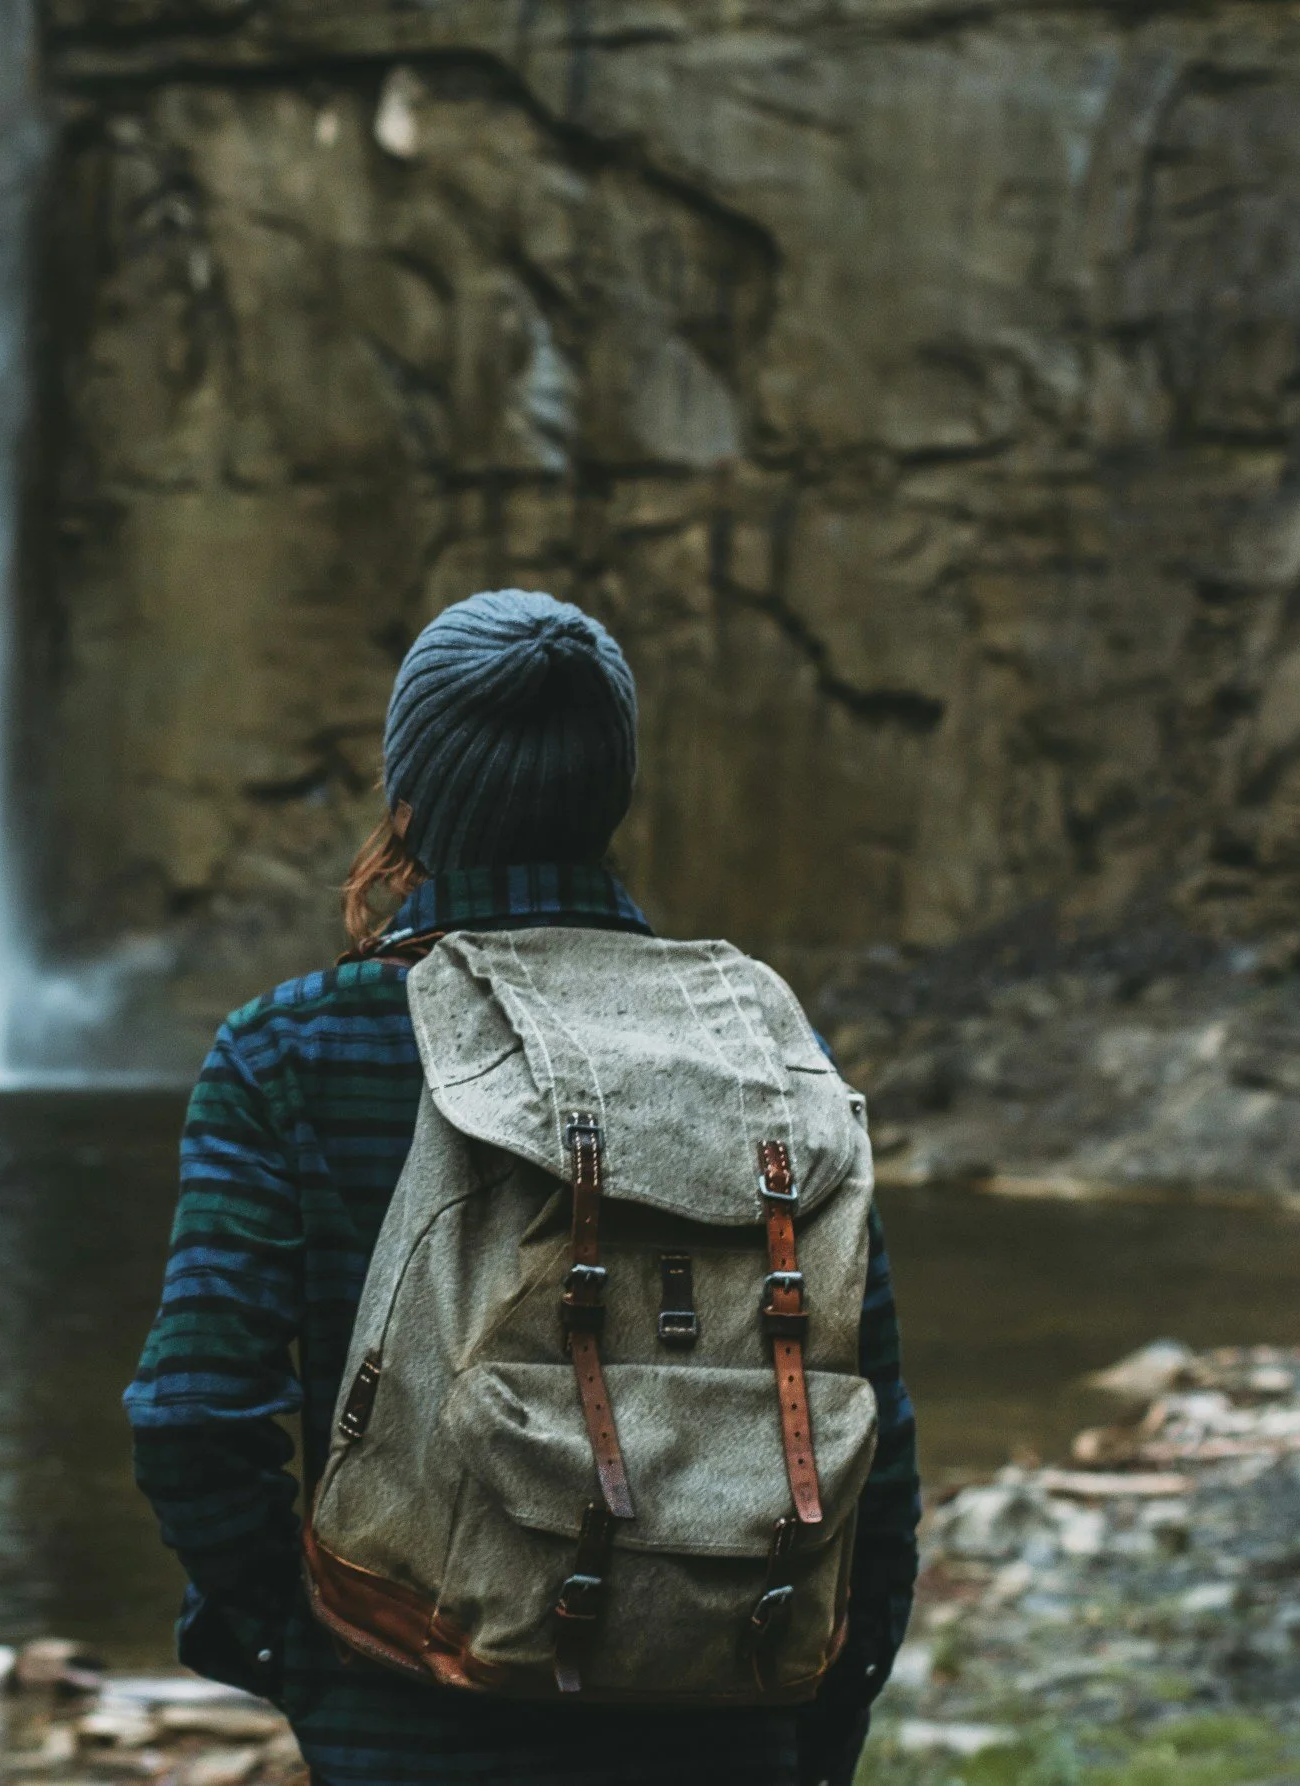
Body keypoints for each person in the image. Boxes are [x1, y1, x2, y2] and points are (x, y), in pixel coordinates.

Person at [125, 588, 921, 1785]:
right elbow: (877, 1444)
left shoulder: (289, 1053)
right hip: (723, 1731)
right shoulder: (761, 1048)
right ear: (613, 796)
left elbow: (191, 1416)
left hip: (410, 1727)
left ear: (411, 799)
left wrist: (314, 1659)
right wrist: (809, 1717)